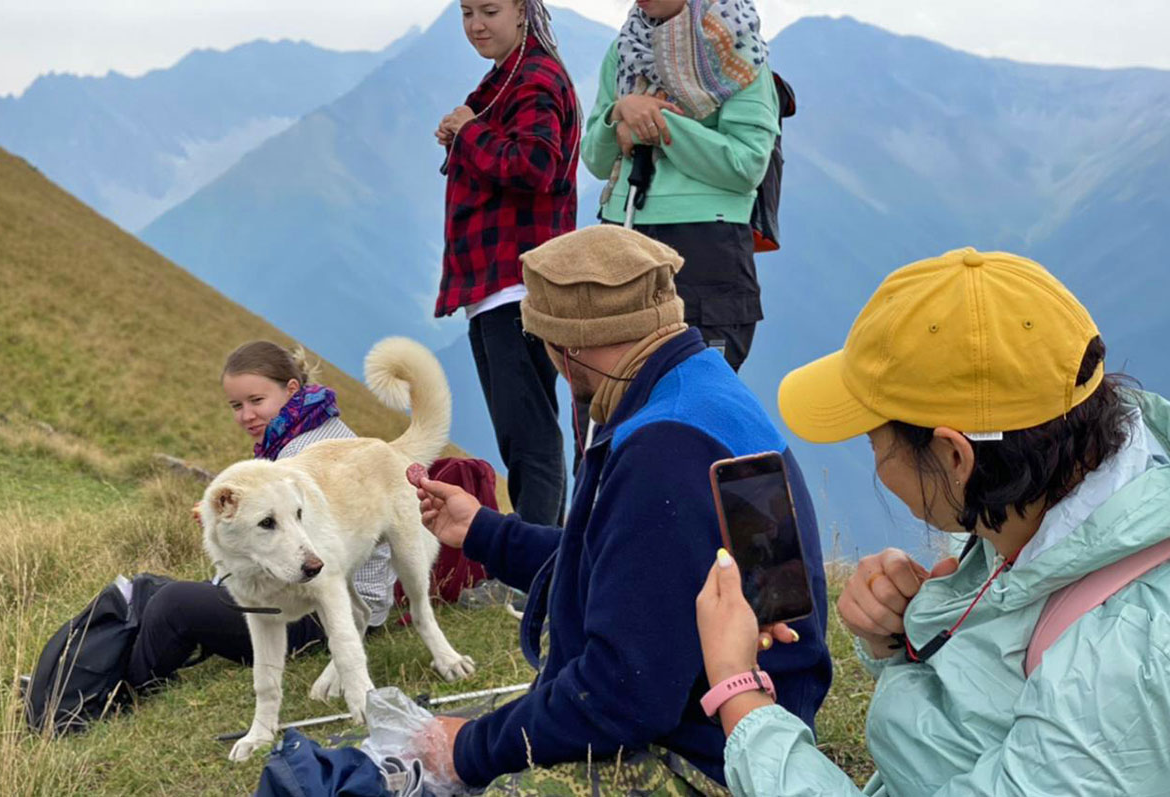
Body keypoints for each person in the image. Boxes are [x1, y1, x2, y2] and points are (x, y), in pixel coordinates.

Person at [695, 248, 1170, 796]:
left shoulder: (1120, 665)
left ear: (953, 455)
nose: (875, 461)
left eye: (875, 439)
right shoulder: (1041, 500)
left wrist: (739, 695)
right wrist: (900, 636)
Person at [413, 226, 831, 793]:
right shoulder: (699, 391)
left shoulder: (662, 449)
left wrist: (469, 751)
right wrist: (486, 533)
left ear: (570, 346)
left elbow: (623, 695)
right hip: (758, 729)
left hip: (713, 759)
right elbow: (635, 570)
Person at [125, 341, 397, 688]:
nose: (246, 416)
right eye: (236, 405)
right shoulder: (311, 432)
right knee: (147, 589)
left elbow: (302, 556)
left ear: (291, 389)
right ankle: (83, 678)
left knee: (172, 602)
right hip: (319, 592)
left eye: (256, 401)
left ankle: (118, 693)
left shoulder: (298, 457)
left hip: (321, 608)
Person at [433, 0, 581, 524]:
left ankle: (536, 572)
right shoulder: (507, 77)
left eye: (490, 10)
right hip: (496, 285)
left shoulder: (534, 78)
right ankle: (542, 562)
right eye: (467, 12)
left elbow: (534, 165)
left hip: (517, 285)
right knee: (523, 435)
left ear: (521, 10)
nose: (476, 24)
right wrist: (466, 130)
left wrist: (470, 131)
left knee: (531, 438)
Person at [581, 0, 778, 372]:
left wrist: (654, 124)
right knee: (608, 400)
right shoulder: (624, 47)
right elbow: (595, 158)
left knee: (691, 402)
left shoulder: (738, 48)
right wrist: (617, 114)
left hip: (704, 251)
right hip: (621, 239)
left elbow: (747, 164)